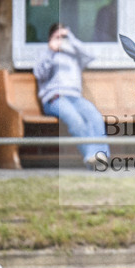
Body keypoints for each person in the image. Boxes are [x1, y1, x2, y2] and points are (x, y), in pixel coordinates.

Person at [33, 23, 111, 168]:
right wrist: (51, 51)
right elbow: (39, 74)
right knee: (76, 121)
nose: (61, 39)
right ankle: (92, 158)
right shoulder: (45, 53)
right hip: (55, 98)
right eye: (57, 36)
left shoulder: (73, 54)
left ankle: (101, 156)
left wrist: (71, 38)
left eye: (64, 36)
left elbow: (90, 56)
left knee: (95, 117)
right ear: (50, 38)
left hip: (75, 97)